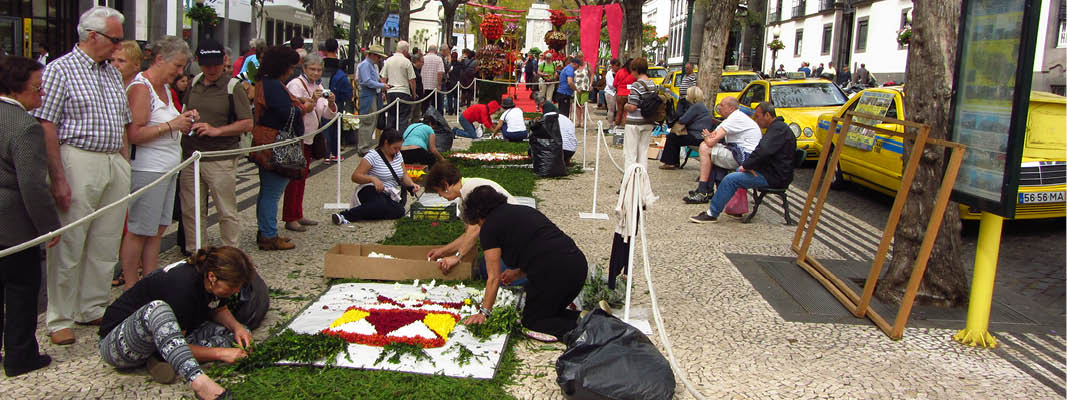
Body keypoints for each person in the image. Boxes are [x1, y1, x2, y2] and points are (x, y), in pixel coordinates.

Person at [32, 6, 133, 346]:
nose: (120, 47)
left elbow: (123, 121)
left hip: (111, 159)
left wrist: (123, 163)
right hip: (77, 157)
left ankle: (91, 305)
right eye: (115, 40)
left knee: (105, 241)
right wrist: (57, 176)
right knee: (70, 242)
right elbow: (46, 123)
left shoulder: (111, 73)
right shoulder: (60, 70)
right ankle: (59, 316)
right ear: (94, 36)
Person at [98, 246, 255, 400]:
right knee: (158, 309)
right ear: (212, 277)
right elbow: (176, 341)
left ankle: (158, 357)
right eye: (233, 287)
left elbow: (217, 308)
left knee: (238, 337)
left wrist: (237, 328)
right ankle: (200, 383)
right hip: (118, 344)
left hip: (167, 336)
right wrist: (221, 354)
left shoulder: (209, 281)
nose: (235, 291)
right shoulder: (183, 287)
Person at [460, 186, 588, 341]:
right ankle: (587, 317)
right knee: (547, 313)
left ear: (478, 213)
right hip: (577, 267)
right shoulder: (523, 210)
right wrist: (517, 273)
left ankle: (593, 328)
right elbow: (540, 249)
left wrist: (484, 313)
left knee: (533, 321)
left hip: (557, 275)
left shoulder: (489, 227)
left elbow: (493, 277)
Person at [0, 56, 61, 377]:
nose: (42, 96)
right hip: (13, 225)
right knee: (22, 289)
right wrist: (49, 227)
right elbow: (33, 186)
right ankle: (20, 356)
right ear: (18, 89)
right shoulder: (25, 127)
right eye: (38, 89)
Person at [121, 36, 195, 290]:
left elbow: (167, 123)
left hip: (167, 167)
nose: (179, 72)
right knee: (140, 228)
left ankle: (150, 277)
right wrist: (171, 125)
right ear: (160, 59)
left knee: (158, 227)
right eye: (177, 66)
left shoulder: (165, 89)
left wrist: (182, 120)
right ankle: (132, 283)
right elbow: (134, 134)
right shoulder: (141, 88)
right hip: (148, 167)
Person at [180, 39, 253, 253]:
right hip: (191, 156)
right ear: (198, 63)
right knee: (192, 210)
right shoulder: (194, 84)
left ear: (224, 61)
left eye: (215, 64)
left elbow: (247, 122)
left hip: (220, 157)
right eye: (205, 64)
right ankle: (196, 253)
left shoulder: (233, 87)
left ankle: (231, 253)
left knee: (225, 209)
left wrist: (216, 130)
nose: (211, 69)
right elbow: (184, 109)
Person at [690, 102, 796, 223]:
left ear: (767, 115)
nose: (756, 120)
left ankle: (712, 213)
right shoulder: (778, 128)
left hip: (773, 177)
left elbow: (763, 151)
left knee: (731, 179)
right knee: (734, 173)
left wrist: (746, 166)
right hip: (773, 173)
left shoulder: (778, 130)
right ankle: (735, 210)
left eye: (757, 116)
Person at [251, 46, 305, 251]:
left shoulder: (264, 82)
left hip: (267, 141)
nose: (291, 72)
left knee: (267, 191)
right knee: (272, 192)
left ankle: (266, 230)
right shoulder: (272, 85)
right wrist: (302, 108)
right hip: (275, 144)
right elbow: (286, 113)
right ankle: (269, 235)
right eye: (290, 67)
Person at [283, 53, 338, 233]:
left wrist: (331, 103)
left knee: (303, 177)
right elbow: (297, 111)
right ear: (304, 68)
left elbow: (325, 114)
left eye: (319, 69)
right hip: (298, 137)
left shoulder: (319, 85)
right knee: (295, 178)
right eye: (312, 69)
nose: (315, 73)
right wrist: (313, 100)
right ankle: (290, 217)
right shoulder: (295, 85)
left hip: (310, 137)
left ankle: (298, 213)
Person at [330, 129, 421, 224]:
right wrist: (372, 179)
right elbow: (355, 176)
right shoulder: (372, 156)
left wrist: (412, 184)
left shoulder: (398, 155)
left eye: (399, 148)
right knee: (380, 204)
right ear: (386, 143)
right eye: (395, 148)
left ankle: (372, 211)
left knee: (399, 211)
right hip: (371, 190)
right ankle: (345, 216)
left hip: (389, 193)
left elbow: (404, 174)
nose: (397, 151)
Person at [682, 96, 762, 204]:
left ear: (731, 108)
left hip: (746, 158)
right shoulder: (734, 117)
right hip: (745, 154)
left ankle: (702, 191)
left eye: (722, 105)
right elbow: (713, 137)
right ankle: (707, 190)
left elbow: (710, 141)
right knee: (713, 150)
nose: (718, 107)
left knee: (705, 147)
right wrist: (710, 137)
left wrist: (706, 137)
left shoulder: (734, 119)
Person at [659, 86, 714, 170]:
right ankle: (674, 162)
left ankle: (670, 163)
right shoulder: (700, 105)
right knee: (675, 137)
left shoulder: (696, 107)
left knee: (672, 137)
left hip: (697, 137)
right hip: (700, 135)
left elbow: (683, 120)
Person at [319, 38, 353, 161]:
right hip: (336, 101)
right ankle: (334, 153)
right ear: (337, 49)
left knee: (324, 127)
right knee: (335, 128)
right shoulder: (340, 71)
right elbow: (348, 93)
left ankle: (325, 153)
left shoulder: (319, 68)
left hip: (319, 100)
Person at [621, 57, 657, 171]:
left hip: (635, 122)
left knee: (630, 154)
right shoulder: (653, 85)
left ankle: (630, 182)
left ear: (635, 69)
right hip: (648, 121)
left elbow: (632, 106)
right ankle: (642, 182)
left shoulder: (637, 85)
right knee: (643, 153)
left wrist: (624, 106)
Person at [357, 45, 388, 156]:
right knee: (368, 121)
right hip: (367, 96)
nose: (379, 59)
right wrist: (381, 85)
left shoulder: (372, 66)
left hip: (373, 95)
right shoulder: (365, 65)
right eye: (378, 56)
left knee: (371, 121)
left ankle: (366, 146)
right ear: (373, 55)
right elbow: (367, 81)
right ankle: (363, 147)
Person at [381, 41, 417, 135]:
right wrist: (413, 94)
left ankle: (389, 137)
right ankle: (401, 138)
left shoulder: (388, 61)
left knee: (391, 116)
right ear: (405, 50)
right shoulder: (406, 62)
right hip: (403, 92)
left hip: (391, 91)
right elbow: (412, 80)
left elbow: (383, 78)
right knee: (403, 118)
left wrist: (383, 91)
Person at [421, 45, 446, 115]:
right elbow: (440, 72)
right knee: (436, 105)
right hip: (434, 86)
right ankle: (434, 120)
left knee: (425, 105)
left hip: (424, 86)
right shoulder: (439, 59)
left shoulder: (423, 58)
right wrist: (439, 84)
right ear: (436, 51)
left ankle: (424, 117)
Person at [612, 59, 635, 133]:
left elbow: (614, 84)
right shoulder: (634, 73)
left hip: (620, 94)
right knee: (626, 112)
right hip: (629, 94)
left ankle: (616, 126)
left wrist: (619, 88)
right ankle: (624, 127)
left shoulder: (619, 71)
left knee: (619, 111)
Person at [573, 60, 590, 126]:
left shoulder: (587, 65)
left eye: (581, 57)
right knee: (577, 105)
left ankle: (584, 121)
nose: (580, 58)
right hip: (577, 88)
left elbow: (591, 75)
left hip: (585, 88)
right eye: (579, 57)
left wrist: (590, 84)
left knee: (583, 105)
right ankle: (578, 121)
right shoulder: (575, 66)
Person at [604, 59, 618, 128]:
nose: (617, 67)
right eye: (616, 65)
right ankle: (610, 124)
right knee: (611, 109)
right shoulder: (609, 74)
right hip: (610, 92)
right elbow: (610, 84)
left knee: (617, 109)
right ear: (612, 66)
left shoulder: (617, 73)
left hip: (616, 92)